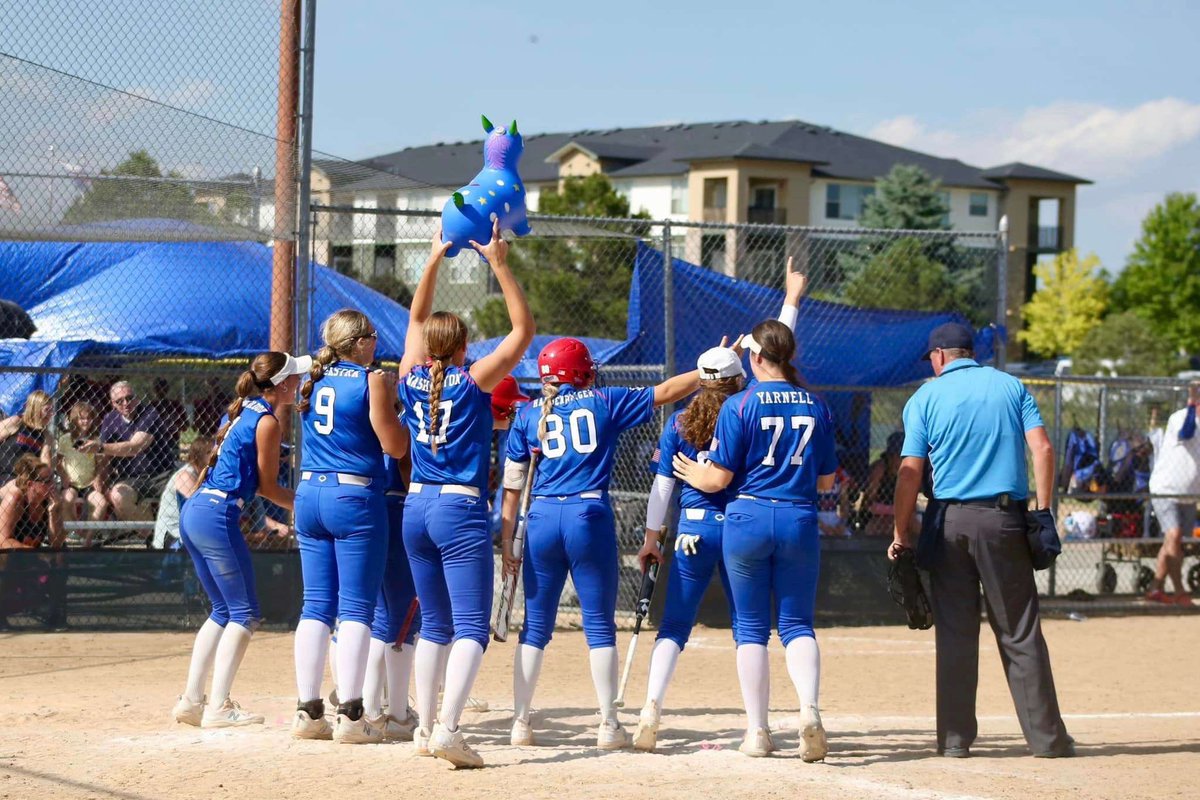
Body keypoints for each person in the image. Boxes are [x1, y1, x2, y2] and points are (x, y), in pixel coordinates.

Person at [631, 266, 809, 753]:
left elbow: (663, 488)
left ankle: (650, 710)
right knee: (748, 628)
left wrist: (651, 537)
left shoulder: (680, 422)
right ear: (739, 374)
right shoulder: (749, 409)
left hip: (690, 529)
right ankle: (760, 727)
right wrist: (790, 299)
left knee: (673, 627)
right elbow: (774, 350)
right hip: (737, 529)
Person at [501, 334, 700, 753]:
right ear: (583, 372)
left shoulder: (525, 414)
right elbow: (665, 392)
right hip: (587, 514)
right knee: (598, 624)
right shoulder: (603, 400)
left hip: (540, 518)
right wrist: (710, 370)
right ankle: (608, 723)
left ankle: (520, 722)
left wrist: (507, 541)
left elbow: (513, 484)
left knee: (534, 627)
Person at [889, 321, 1073, 759]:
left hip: (948, 521)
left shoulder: (925, 397)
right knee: (1020, 632)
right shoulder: (1011, 386)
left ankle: (954, 741)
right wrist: (1042, 510)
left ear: (938, 357)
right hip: (1004, 520)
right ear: (971, 351)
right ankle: (1047, 740)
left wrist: (900, 534)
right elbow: (1044, 450)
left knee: (955, 633)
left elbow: (910, 472)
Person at [397, 221, 533, 768]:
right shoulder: (474, 380)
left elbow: (412, 319)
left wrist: (433, 260)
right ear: (463, 348)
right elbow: (523, 330)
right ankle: (449, 729)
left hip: (416, 506)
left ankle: (427, 725)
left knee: (434, 624)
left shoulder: (408, 376)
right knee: (472, 627)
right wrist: (499, 263)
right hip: (458, 508)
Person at [672, 319, 837, 762]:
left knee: (750, 628)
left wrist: (693, 473)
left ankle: (757, 732)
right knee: (797, 624)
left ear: (757, 358)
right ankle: (809, 710)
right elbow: (825, 482)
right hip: (799, 516)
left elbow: (719, 476)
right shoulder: (816, 405)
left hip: (747, 516)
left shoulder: (740, 405)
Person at [290, 312, 410, 745]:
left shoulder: (312, 377)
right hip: (353, 497)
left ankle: (308, 710)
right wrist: (401, 416)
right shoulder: (371, 379)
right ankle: (352, 714)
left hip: (308, 493)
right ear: (357, 342)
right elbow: (394, 446)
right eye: (372, 337)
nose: (376, 344)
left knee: (315, 605)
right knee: (357, 606)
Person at [171, 352, 307, 729]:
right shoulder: (266, 421)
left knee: (223, 611)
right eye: (293, 378)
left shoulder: (241, 410)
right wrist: (306, 503)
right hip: (216, 514)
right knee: (245, 614)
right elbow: (267, 487)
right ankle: (217, 707)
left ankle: (191, 700)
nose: (298, 382)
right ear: (278, 386)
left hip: (197, 510)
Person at [1144, 383, 1200, 605]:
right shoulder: (1180, 417)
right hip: (1166, 489)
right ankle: (1179, 591)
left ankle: (1155, 588)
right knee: (1174, 536)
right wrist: (1191, 404)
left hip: (1189, 493)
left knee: (1173, 543)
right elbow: (1187, 433)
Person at [90, 382, 174, 524]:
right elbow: (105, 457)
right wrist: (100, 478)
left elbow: (135, 446)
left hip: (161, 475)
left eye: (129, 398)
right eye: (119, 401)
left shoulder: (149, 413)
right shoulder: (109, 420)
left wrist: (99, 447)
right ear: (113, 404)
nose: (126, 403)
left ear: (137, 398)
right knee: (117, 495)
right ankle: (153, 538)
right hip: (131, 479)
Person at [0, 456, 67, 628]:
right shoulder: (15, 499)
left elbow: (57, 543)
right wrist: (35, 553)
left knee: (60, 556)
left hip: (28, 555)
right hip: (10, 554)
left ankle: (55, 615)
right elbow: (3, 540)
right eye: (46, 481)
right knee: (4, 558)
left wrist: (53, 513)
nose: (52, 485)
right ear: (31, 485)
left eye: (53, 480)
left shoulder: (50, 502)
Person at [58, 402, 110, 543]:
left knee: (101, 503)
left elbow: (100, 463)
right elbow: (58, 461)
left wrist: (98, 477)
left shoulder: (96, 440)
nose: (86, 421)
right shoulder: (65, 439)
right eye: (82, 418)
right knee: (66, 500)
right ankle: (77, 530)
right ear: (75, 419)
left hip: (89, 483)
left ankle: (88, 538)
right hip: (72, 483)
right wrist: (64, 476)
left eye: (89, 418)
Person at [153, 437, 211, 550]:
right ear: (197, 456)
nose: (214, 455)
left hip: (191, 533)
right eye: (208, 452)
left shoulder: (206, 475)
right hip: (172, 535)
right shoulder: (185, 475)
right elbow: (200, 505)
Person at [860, 432, 918, 537]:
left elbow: (911, 505)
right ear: (889, 456)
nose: (899, 460)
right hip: (877, 513)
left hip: (899, 513)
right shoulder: (880, 468)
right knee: (876, 527)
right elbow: (868, 502)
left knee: (914, 525)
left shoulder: (909, 471)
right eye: (896, 456)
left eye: (903, 457)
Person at [0, 391, 57, 483]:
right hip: (4, 474)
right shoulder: (16, 422)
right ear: (36, 409)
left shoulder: (47, 435)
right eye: (47, 410)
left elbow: (45, 462)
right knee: (15, 493)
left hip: (27, 480)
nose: (52, 414)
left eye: (52, 410)